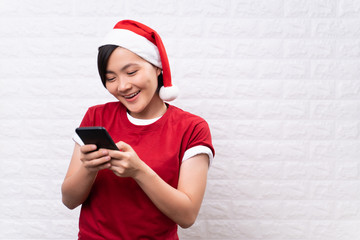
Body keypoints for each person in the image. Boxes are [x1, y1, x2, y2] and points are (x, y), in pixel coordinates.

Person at [61, 19, 215, 239]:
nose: (122, 86)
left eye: (131, 72)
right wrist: (89, 167)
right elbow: (69, 200)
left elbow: (187, 215)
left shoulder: (191, 128)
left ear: (157, 67)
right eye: (111, 78)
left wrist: (139, 171)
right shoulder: (96, 116)